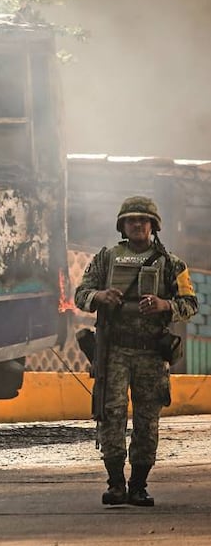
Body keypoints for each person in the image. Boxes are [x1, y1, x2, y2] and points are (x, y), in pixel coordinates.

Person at [74, 196, 198, 507]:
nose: (138, 225)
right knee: (111, 416)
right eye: (131, 220)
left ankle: (139, 485)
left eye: (143, 220)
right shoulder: (106, 258)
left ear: (153, 226)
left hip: (151, 355)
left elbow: (191, 304)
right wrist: (101, 295)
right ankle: (116, 483)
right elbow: (80, 294)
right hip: (114, 351)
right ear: (123, 226)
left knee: (147, 421)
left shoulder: (172, 264)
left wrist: (164, 305)